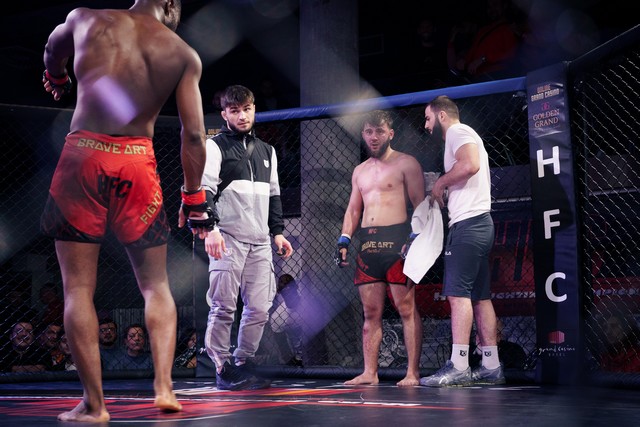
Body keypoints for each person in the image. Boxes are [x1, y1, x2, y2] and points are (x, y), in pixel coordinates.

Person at [40, 0, 213, 421]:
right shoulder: (181, 52)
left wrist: (57, 75)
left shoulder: (85, 18)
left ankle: (94, 406)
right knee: (156, 285)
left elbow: (51, 49)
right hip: (137, 163)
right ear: (169, 4)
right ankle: (165, 387)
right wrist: (193, 199)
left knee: (77, 289)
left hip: (83, 155)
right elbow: (194, 135)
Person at [201, 84, 294, 391]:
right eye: (235, 110)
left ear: (254, 109)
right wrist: (212, 229)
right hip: (227, 237)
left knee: (260, 306)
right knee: (223, 306)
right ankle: (221, 366)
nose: (242, 116)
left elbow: (274, 195)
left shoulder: (268, 151)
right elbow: (205, 190)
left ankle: (243, 361)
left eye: (247, 109)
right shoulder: (214, 147)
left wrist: (278, 233)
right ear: (224, 114)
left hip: (260, 240)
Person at [335, 110, 425, 387]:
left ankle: (412, 373)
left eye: (379, 131)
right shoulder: (359, 171)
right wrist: (344, 239)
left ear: (390, 134)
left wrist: (415, 238)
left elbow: (420, 205)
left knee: (406, 308)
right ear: (363, 134)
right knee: (370, 313)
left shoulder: (406, 163)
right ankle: (369, 372)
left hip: (398, 242)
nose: (374, 137)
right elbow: (353, 209)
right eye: (369, 132)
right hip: (368, 245)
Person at [419, 95, 503, 387]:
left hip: (468, 225)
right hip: (479, 224)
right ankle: (491, 365)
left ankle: (459, 365)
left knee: (458, 295)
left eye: (428, 118)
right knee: (480, 297)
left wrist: (441, 183)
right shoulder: (462, 135)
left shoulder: (457, 131)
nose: (426, 125)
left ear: (441, 115)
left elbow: (470, 164)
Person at [269, 273, 304, 367]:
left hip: (311, 349)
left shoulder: (309, 304)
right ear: (280, 293)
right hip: (297, 357)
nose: (290, 296)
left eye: (291, 291)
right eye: (286, 293)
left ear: (296, 288)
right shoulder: (277, 317)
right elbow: (283, 348)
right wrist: (292, 364)